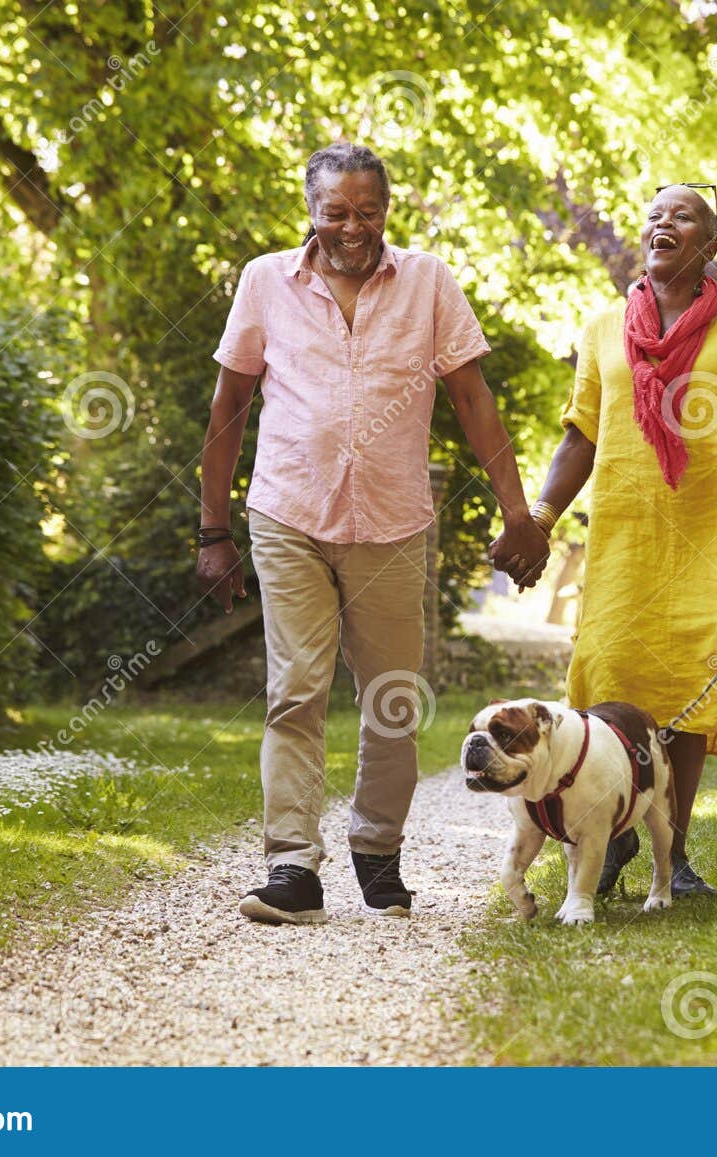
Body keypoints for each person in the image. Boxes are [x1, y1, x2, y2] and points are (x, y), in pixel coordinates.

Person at [197, 142, 549, 925]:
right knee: (295, 692)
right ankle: (292, 866)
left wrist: (516, 510)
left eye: (368, 211)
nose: (353, 228)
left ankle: (377, 849)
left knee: (391, 700)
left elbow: (471, 398)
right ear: (311, 213)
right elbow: (228, 408)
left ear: (387, 210)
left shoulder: (427, 282)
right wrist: (211, 531)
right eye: (336, 214)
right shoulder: (265, 281)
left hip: (391, 523)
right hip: (288, 513)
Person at [519, 184, 717, 897]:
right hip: (621, 537)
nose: (663, 223)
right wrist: (539, 516)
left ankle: (671, 857)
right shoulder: (602, 329)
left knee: (687, 694)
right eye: (655, 215)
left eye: (682, 216)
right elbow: (581, 434)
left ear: (709, 246)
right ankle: (610, 835)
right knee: (610, 682)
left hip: (701, 536)